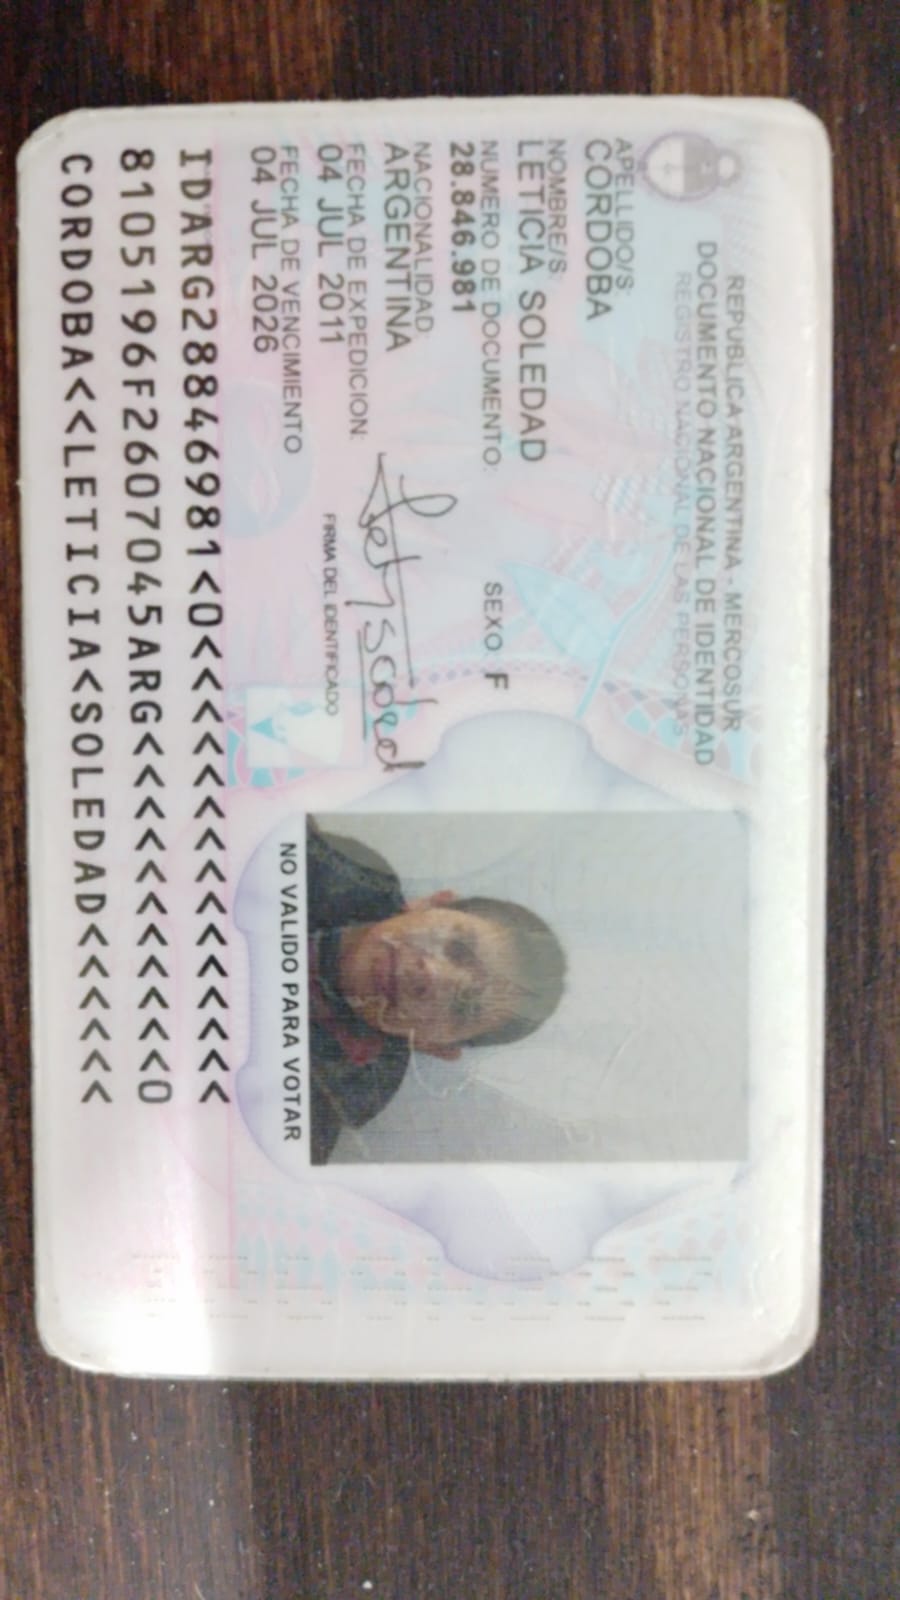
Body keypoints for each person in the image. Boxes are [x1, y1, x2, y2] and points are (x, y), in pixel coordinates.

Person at [307, 819, 566, 1163]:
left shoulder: (343, 1092)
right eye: (457, 947)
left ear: (434, 1046)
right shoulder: (339, 867)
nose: (430, 975)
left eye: (461, 1007)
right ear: (430, 904)